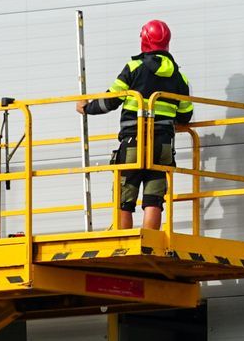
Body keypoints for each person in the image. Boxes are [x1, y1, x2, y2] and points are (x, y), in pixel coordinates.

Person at [77, 20, 194, 230]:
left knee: (125, 196)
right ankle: (150, 242)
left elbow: (110, 101)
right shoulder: (179, 76)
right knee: (154, 197)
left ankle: (123, 240)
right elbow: (186, 115)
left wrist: (87, 107)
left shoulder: (134, 68)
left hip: (134, 141)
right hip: (163, 144)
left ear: (144, 41)